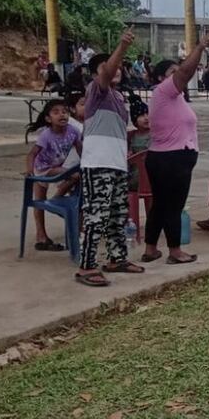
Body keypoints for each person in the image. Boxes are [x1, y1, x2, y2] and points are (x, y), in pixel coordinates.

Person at [75, 30, 142, 287]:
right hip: (98, 163)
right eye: (109, 66)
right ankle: (87, 266)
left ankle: (117, 258)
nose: (115, 69)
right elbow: (105, 74)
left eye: (118, 66)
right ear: (96, 73)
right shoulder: (96, 90)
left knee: (117, 214)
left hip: (116, 163)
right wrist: (122, 46)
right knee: (96, 216)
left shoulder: (119, 97)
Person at [140, 35, 209, 266]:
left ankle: (151, 248)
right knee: (173, 205)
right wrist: (200, 47)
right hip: (172, 158)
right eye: (172, 72)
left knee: (160, 204)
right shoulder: (164, 91)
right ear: (162, 78)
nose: (178, 75)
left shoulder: (173, 98)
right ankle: (175, 250)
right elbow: (185, 73)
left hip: (164, 156)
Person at [25, 99, 82, 251]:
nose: (61, 115)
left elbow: (80, 149)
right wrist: (29, 170)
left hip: (57, 165)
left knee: (76, 174)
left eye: (64, 111)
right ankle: (41, 234)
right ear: (48, 118)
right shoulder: (46, 135)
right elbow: (32, 154)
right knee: (39, 200)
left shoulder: (73, 131)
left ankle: (60, 198)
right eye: (56, 112)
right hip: (42, 168)